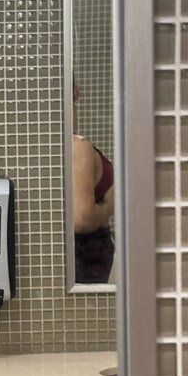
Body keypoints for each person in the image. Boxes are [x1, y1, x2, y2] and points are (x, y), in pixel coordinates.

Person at [72, 83, 115, 284]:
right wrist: (111, 204)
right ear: (76, 91)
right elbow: (82, 219)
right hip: (85, 259)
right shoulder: (76, 146)